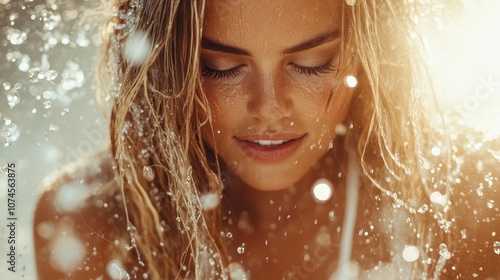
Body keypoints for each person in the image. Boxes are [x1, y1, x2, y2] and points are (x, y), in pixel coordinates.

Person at [33, 0, 500, 279]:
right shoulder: (90, 221)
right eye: (220, 67)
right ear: (165, 66)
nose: (270, 107)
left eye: (313, 62)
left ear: (370, 52)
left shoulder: (468, 198)